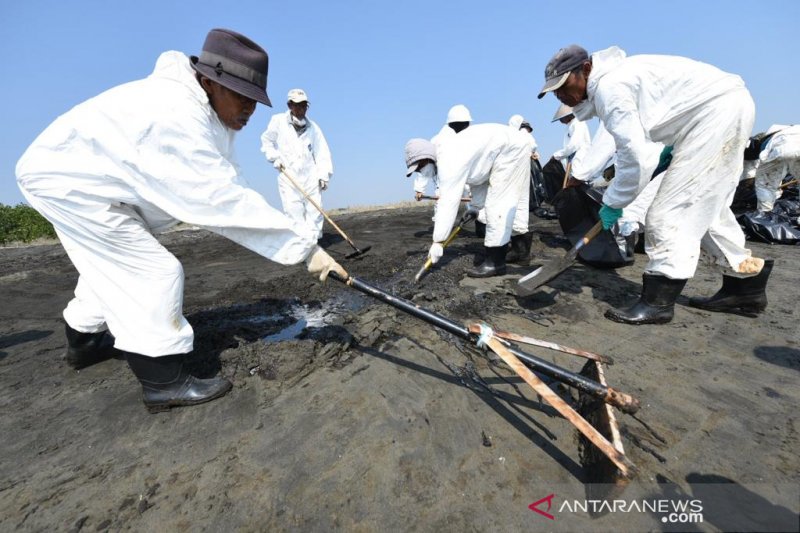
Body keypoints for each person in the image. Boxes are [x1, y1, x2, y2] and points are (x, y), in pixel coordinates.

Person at [15, 29, 347, 412]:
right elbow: (220, 198)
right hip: (68, 181)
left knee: (109, 263)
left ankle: (83, 343)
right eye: (242, 97)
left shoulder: (205, 110)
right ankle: (162, 380)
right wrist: (306, 250)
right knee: (152, 271)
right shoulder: (176, 117)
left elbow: (229, 177)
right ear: (209, 81)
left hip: (92, 182)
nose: (250, 110)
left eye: (255, 101)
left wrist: (303, 245)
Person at [538, 44, 772, 324]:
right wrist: (670, 148)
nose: (561, 95)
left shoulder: (610, 87)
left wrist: (613, 203)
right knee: (705, 207)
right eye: (555, 92)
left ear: (586, 69)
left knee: (669, 212)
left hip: (714, 115)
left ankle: (658, 301)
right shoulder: (618, 79)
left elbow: (634, 159)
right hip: (715, 112)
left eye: (564, 85)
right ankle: (745, 287)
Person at [407, 123, 532, 277]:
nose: (420, 171)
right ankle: (519, 250)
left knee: (499, 205)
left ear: (426, 157)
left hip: (510, 150)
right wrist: (476, 209)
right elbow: (478, 180)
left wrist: (438, 241)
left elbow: (448, 203)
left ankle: (495, 263)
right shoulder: (447, 153)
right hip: (508, 148)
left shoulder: (448, 159)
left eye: (419, 167)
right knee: (509, 203)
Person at [261, 88, 333, 240]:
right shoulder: (278, 121)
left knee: (315, 211)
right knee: (294, 212)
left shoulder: (313, 128)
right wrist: (275, 158)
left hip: (311, 177)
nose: (301, 109)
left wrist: (324, 174)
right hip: (289, 177)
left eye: (304, 106)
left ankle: (313, 244)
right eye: (297, 105)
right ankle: (302, 246)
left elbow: (322, 152)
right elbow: (267, 141)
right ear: (290, 105)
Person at [749, 124, 800, 212]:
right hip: (791, 147)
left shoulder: (768, 139)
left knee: (765, 185)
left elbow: (775, 173)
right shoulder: (793, 129)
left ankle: (764, 214)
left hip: (781, 147)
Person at [551, 103, 591, 172]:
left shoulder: (578, 123)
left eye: (561, 118)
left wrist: (557, 155)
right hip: (572, 159)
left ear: (568, 115)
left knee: (578, 179)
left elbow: (573, 145)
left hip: (580, 158)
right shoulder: (570, 125)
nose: (560, 121)